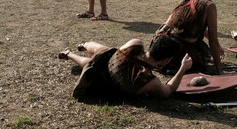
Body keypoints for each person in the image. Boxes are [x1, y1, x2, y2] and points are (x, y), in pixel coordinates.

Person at [58, 35, 193, 100]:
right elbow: (168, 91)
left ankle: (85, 45)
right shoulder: (151, 82)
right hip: (107, 83)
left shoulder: (135, 44)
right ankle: (71, 53)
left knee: (102, 54)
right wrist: (183, 68)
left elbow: (116, 54)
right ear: (165, 60)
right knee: (99, 57)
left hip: (105, 67)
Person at [152, 0, 224, 74]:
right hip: (176, 55)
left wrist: (218, 46)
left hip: (158, 48)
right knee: (203, 53)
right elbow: (213, 42)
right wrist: (220, 71)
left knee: (202, 46)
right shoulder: (209, 6)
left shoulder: (184, 2)